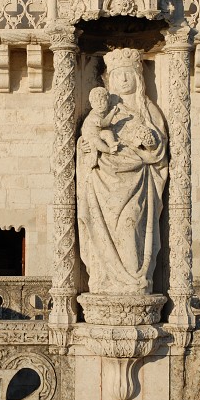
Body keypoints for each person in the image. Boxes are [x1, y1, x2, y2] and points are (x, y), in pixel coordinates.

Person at [77, 48, 168, 295]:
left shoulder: (148, 110)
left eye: (128, 74)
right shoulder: (103, 109)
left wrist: (148, 141)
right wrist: (86, 148)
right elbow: (88, 136)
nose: (124, 80)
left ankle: (134, 280)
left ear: (138, 78)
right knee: (103, 231)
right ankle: (105, 280)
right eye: (118, 76)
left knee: (130, 228)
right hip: (103, 182)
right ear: (109, 80)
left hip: (138, 182)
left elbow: (159, 150)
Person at [81, 87, 119, 169]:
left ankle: (112, 144)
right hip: (91, 138)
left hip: (99, 134)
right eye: (96, 101)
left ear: (108, 102)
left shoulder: (103, 115)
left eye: (102, 100)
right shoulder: (93, 116)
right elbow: (105, 123)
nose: (99, 104)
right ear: (91, 104)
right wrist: (112, 113)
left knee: (107, 132)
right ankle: (109, 150)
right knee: (96, 141)